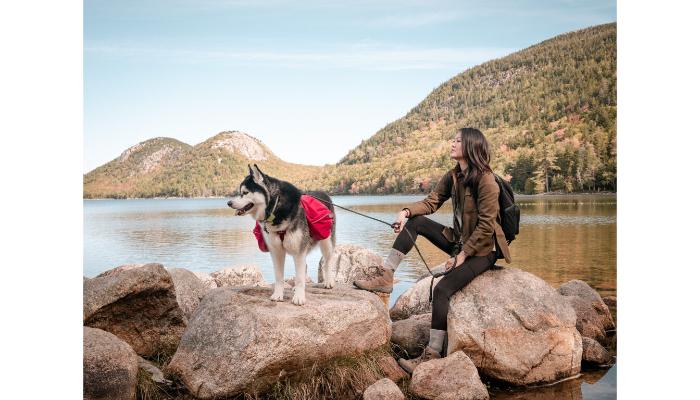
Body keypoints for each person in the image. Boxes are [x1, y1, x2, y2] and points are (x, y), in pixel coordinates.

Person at [353, 127, 512, 373]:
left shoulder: (487, 181)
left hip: (483, 250)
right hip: (460, 242)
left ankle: (433, 354)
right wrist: (405, 213)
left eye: (458, 140)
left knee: (442, 290)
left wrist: (460, 257)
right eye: (453, 139)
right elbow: (431, 202)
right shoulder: (453, 176)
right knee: (415, 223)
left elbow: (485, 227)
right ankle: (386, 274)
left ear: (470, 146)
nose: (452, 143)